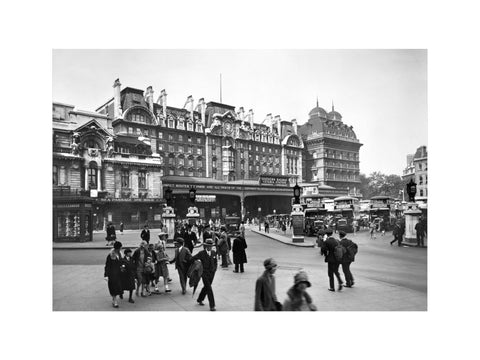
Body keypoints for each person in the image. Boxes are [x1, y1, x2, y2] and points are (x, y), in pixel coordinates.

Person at [192, 238, 218, 311]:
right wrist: (197, 264)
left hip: (212, 273)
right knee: (209, 289)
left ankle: (200, 299)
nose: (210, 247)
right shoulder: (201, 253)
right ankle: (212, 306)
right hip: (204, 273)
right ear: (205, 246)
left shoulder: (213, 252)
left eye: (211, 246)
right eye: (208, 246)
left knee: (206, 287)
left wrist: (215, 269)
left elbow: (215, 262)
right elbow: (193, 258)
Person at [104, 241, 124, 308]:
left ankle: (115, 298)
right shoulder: (110, 255)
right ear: (117, 248)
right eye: (120, 248)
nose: (120, 249)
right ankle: (114, 300)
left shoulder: (120, 254)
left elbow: (122, 262)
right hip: (112, 274)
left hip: (119, 273)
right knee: (113, 287)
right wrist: (106, 275)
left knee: (118, 286)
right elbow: (107, 265)